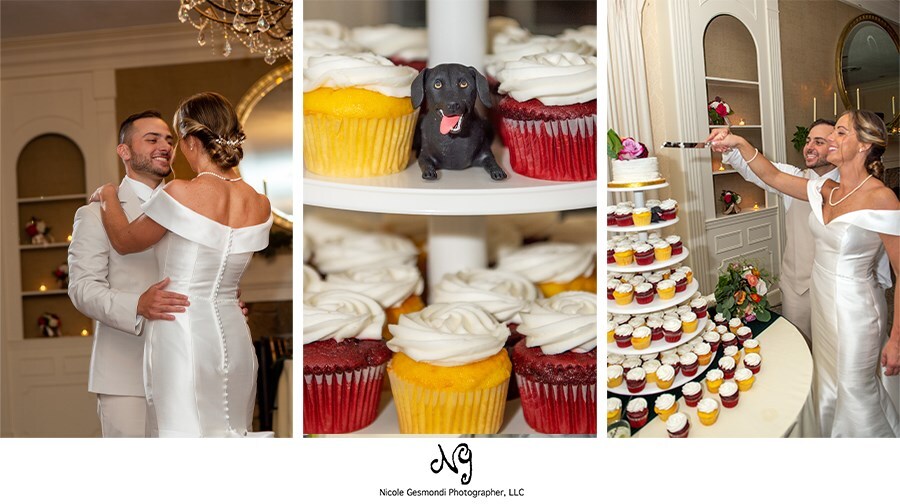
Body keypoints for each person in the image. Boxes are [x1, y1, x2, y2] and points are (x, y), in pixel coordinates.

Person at [90, 92, 273, 437]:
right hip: (234, 333)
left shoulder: (180, 192)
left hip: (181, 330)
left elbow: (125, 241)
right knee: (233, 431)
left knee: (183, 437)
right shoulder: (260, 203)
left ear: (191, 141)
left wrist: (108, 195)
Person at [707, 110, 899, 437]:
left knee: (854, 390)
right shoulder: (827, 190)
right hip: (822, 302)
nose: (829, 142)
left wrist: (896, 340)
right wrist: (738, 140)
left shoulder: (882, 199)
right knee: (826, 381)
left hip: (856, 313)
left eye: (840, 133)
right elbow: (772, 176)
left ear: (864, 145)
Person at [68, 110, 190, 438]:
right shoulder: (94, 215)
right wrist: (137, 304)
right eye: (151, 139)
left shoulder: (189, 210)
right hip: (125, 375)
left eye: (169, 139)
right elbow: (82, 289)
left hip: (187, 368)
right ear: (124, 151)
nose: (164, 145)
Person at [721, 119, 837, 342]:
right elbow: (756, 170)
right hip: (798, 290)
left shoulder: (851, 189)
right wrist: (731, 147)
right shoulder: (792, 178)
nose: (809, 146)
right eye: (808, 140)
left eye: (819, 141)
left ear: (836, 148)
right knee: (799, 347)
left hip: (837, 292)